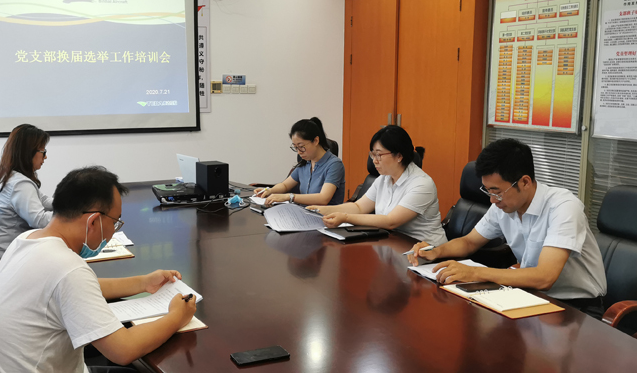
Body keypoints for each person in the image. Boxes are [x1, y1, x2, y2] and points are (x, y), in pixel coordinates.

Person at [0, 167, 197, 372]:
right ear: (94, 221)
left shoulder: (27, 239)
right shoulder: (67, 268)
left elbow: (74, 289)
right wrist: (177, 316)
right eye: (115, 222)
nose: (114, 230)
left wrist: (143, 282)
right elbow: (123, 350)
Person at [407, 138, 607, 318]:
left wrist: (475, 273)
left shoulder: (563, 207)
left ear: (525, 182)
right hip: (532, 296)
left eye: (497, 192)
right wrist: (435, 251)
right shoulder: (503, 205)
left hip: (577, 308)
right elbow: (469, 242)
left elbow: (545, 277)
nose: (492, 200)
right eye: (488, 191)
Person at [307, 125, 447, 246]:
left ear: (399, 156)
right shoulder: (384, 178)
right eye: (372, 155)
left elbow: (391, 221)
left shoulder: (421, 184)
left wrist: (345, 217)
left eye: (379, 155)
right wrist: (321, 210)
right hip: (393, 244)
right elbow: (359, 207)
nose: (374, 160)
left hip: (426, 250)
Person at [0, 123, 53, 259]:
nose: (45, 157)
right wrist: (70, 214)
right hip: (3, 258)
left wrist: (67, 203)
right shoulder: (19, 184)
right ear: (28, 153)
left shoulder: (10, 175)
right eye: (43, 152)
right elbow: (40, 221)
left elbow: (43, 200)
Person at [254, 117, 345, 206]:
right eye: (295, 147)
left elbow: (323, 198)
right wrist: (269, 191)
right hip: (303, 212)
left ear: (316, 141)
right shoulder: (305, 163)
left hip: (325, 215)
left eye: (301, 146)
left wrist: (289, 197)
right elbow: (285, 185)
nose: (299, 152)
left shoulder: (334, 165)